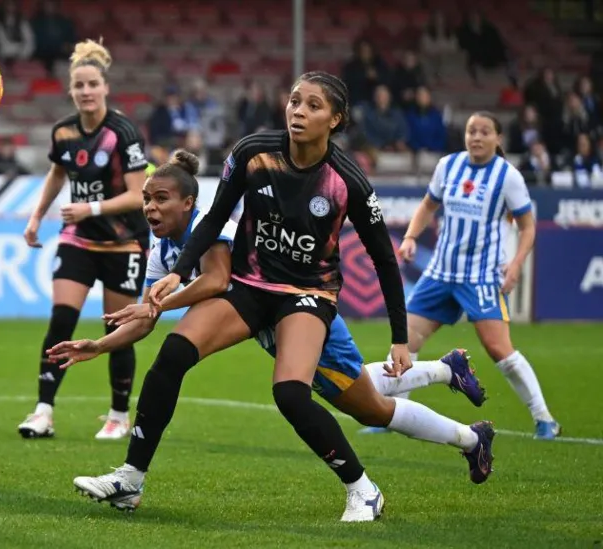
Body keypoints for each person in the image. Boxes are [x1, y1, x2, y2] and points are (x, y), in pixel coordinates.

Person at [54, 149, 495, 516]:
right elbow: (146, 319)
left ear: (188, 202)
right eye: (146, 199)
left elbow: (215, 278)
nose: (149, 207)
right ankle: (131, 478)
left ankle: (467, 438)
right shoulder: (162, 247)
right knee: (173, 356)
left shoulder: (214, 225)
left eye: (159, 198)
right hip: (262, 313)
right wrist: (100, 344)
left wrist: (157, 301)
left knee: (371, 407)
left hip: (301, 312)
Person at [66, 71, 415, 522]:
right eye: (294, 101)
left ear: (336, 119)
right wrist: (175, 273)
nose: (298, 112)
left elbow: (384, 261)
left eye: (313, 106)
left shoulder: (346, 180)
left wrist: (400, 339)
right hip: (250, 286)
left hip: (308, 293)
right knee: (173, 354)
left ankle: (362, 489)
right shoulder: (252, 153)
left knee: (291, 394)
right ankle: (130, 479)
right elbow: (213, 219)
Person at [395, 111, 560, 440]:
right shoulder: (448, 166)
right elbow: (429, 205)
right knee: (405, 341)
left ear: (498, 138)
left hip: (481, 277)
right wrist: (411, 236)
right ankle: (395, 414)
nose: (476, 137)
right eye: (472, 131)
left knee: (500, 349)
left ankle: (544, 419)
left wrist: (514, 265)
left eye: (485, 132)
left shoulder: (507, 176)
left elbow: (527, 227)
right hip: (440, 272)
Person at [19, 38, 150, 441]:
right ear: (71, 90)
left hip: (124, 242)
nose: (86, 92)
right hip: (78, 239)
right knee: (62, 318)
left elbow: (135, 193)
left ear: (105, 88)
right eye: (79, 85)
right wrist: (37, 215)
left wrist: (89, 209)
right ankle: (43, 411)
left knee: (116, 328)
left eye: (93, 84)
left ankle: (117, 414)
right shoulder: (63, 133)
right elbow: (58, 174)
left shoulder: (123, 132)